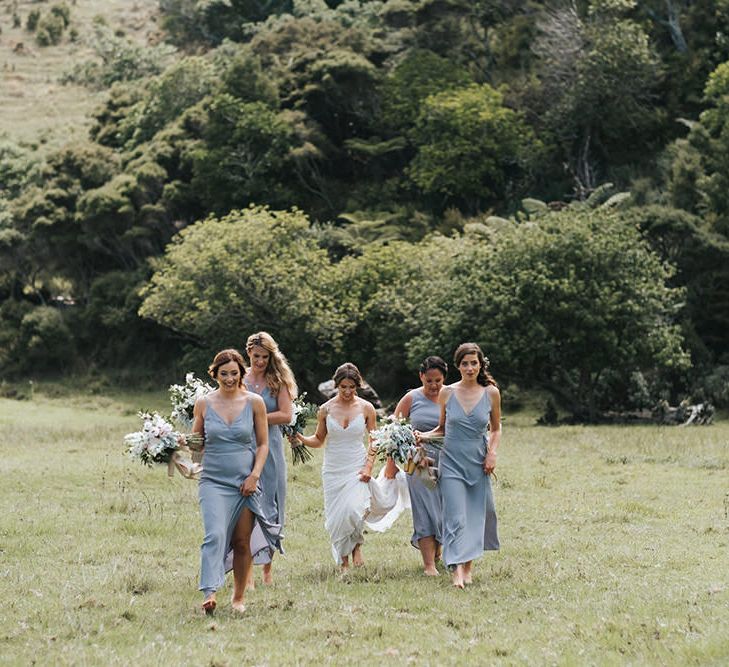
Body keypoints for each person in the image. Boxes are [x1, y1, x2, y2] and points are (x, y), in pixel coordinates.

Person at [292, 363, 409, 571]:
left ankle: (356, 547)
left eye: (352, 387)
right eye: (343, 387)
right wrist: (299, 437)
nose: (347, 391)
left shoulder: (366, 408)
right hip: (333, 469)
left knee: (354, 509)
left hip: (357, 464)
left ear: (358, 386)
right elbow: (319, 439)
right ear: (336, 385)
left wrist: (368, 466)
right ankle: (345, 560)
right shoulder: (325, 409)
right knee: (338, 516)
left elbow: (374, 440)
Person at [191, 349, 282, 615]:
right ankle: (209, 591)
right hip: (213, 480)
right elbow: (197, 446)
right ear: (215, 374)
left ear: (241, 373)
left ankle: (238, 598)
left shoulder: (255, 402)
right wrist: (183, 446)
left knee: (242, 542)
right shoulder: (204, 403)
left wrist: (254, 476)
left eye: (234, 373)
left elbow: (264, 444)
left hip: (245, 481)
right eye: (223, 374)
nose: (229, 379)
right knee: (215, 534)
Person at [417, 343, 501, 589]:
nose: (470, 367)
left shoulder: (491, 393)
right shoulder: (447, 393)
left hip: (477, 461)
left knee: (476, 515)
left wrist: (492, 454)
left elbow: (496, 429)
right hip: (451, 461)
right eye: (465, 363)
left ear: (480, 364)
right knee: (455, 516)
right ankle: (456, 572)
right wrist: (422, 436)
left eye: (474, 362)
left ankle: (468, 567)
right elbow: (441, 429)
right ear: (458, 366)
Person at [244, 332, 295, 588]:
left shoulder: (278, 381)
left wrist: (257, 417)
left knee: (270, 506)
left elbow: (286, 415)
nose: (260, 361)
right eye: (256, 357)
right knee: (247, 508)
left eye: (265, 357)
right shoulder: (238, 379)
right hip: (243, 449)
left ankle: (267, 568)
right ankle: (248, 571)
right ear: (248, 354)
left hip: (271, 448)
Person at [394, 356, 448, 576]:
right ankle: (429, 565)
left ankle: (438, 552)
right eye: (429, 381)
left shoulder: (452, 397)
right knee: (425, 508)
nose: (434, 386)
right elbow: (394, 429)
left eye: (438, 381)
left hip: (448, 460)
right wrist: (408, 453)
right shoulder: (411, 398)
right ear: (421, 377)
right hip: (417, 461)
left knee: (444, 509)